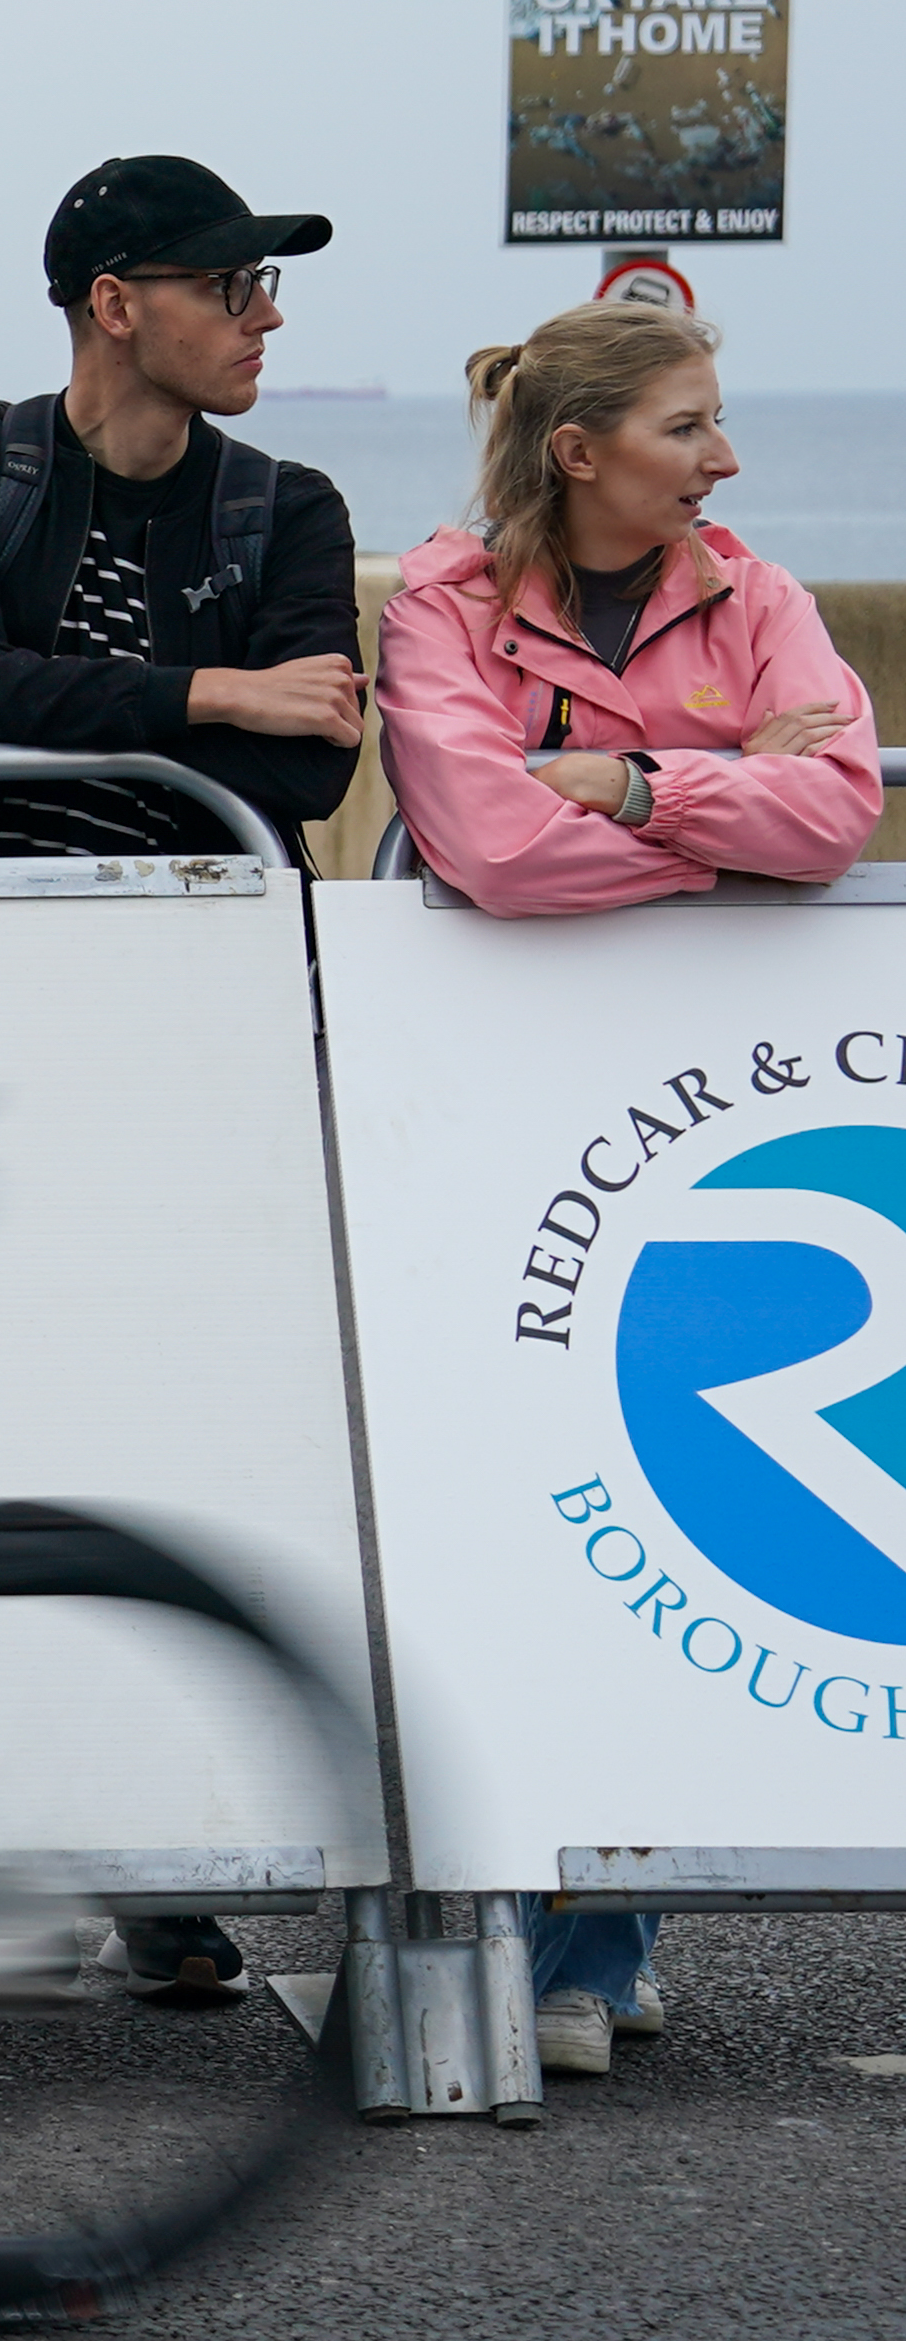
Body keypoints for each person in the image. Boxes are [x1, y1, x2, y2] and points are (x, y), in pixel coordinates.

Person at [382, 301, 883, 2082]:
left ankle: (602, 1934)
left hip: (660, 1112)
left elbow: (832, 814)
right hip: (480, 1100)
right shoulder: (436, 604)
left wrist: (627, 775)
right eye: (686, 427)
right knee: (504, 1475)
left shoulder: (746, 587)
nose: (722, 460)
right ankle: (506, 1910)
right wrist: (709, 808)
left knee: (652, 1454)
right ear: (577, 449)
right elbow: (485, 848)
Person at [0, 158, 367, 877]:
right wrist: (219, 692)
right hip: (1, 940)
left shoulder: (290, 507)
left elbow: (309, 767)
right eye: (225, 285)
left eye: (260, 280)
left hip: (216, 946)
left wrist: (35, 707)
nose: (268, 315)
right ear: (115, 307)